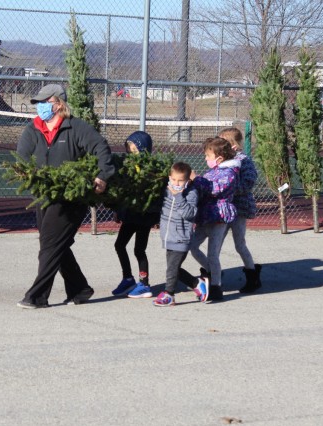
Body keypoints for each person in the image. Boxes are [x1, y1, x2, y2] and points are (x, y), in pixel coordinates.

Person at [15, 84, 115, 309]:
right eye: (38, 103)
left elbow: (101, 148)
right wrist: (24, 173)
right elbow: (20, 157)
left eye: (44, 102)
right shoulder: (33, 129)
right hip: (43, 196)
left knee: (50, 244)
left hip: (71, 197)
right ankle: (80, 289)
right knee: (54, 243)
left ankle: (37, 296)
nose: (40, 107)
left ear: (59, 103)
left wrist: (102, 176)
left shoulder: (76, 127)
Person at [188, 137, 240, 303]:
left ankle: (216, 286)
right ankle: (212, 271)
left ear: (219, 158)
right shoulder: (212, 171)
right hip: (205, 217)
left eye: (207, 156)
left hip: (218, 217)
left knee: (213, 253)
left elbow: (215, 189)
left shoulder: (230, 173)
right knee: (192, 245)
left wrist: (196, 179)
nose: (205, 159)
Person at [111, 131, 161, 299]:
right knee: (119, 245)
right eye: (128, 147)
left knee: (139, 249)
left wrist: (156, 216)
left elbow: (156, 194)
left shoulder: (151, 168)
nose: (131, 150)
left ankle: (144, 284)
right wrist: (120, 211)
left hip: (144, 216)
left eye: (134, 147)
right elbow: (124, 192)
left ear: (143, 147)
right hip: (131, 214)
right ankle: (128, 278)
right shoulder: (128, 166)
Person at [218, 127, 262, 293]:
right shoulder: (221, 160)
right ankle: (213, 276)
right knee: (216, 244)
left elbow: (249, 182)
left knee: (239, 244)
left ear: (233, 145)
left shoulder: (244, 161)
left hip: (238, 209)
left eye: (223, 143)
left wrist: (230, 188)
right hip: (222, 209)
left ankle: (252, 276)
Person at [153, 162, 199, 307]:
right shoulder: (166, 191)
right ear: (169, 178)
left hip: (181, 238)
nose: (176, 183)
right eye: (174, 180)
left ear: (187, 181)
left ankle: (169, 295)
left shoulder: (191, 194)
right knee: (173, 268)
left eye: (180, 181)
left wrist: (178, 196)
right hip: (168, 237)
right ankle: (196, 283)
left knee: (172, 268)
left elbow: (189, 213)